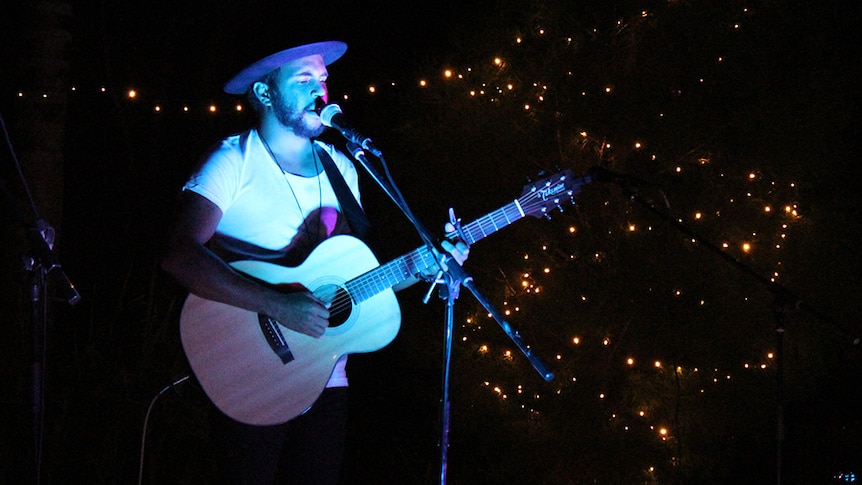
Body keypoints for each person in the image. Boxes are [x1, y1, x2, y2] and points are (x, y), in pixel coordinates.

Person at [160, 40, 469, 484]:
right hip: (248, 372)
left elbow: (357, 279)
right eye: (303, 80)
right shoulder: (233, 160)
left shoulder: (341, 167)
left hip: (326, 375)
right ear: (266, 94)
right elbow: (178, 254)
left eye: (322, 79)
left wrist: (426, 265)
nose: (319, 91)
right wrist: (277, 304)